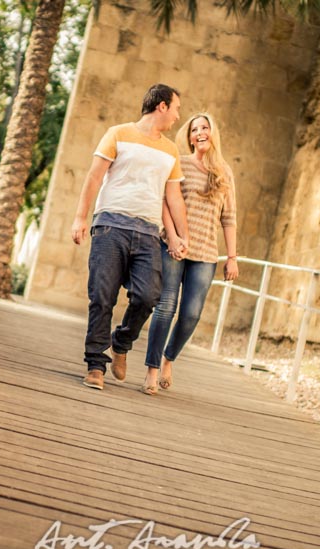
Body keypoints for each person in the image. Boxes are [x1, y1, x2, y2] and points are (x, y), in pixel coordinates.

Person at [70, 84, 190, 390]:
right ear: (162, 106)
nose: (178, 116)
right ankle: (96, 364)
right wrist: (80, 218)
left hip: (149, 233)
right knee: (102, 296)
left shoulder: (170, 150)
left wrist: (180, 236)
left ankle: (121, 341)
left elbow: (173, 196)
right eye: (176, 108)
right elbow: (94, 176)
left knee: (149, 296)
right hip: (110, 225)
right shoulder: (118, 133)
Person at [142, 113, 238, 395]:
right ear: (189, 137)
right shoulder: (180, 164)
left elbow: (229, 218)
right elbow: (165, 202)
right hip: (173, 247)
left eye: (205, 128)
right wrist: (171, 237)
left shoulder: (224, 172)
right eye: (194, 129)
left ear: (213, 133)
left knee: (191, 314)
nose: (200, 133)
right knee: (166, 307)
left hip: (206, 254)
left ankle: (168, 358)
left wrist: (232, 257)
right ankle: (151, 369)